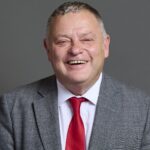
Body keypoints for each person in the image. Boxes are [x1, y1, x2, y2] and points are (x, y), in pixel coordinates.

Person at [0, 1, 150, 150]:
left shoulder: (143, 110)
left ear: (105, 46)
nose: (75, 49)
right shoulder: (12, 108)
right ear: (48, 50)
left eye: (86, 39)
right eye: (63, 41)